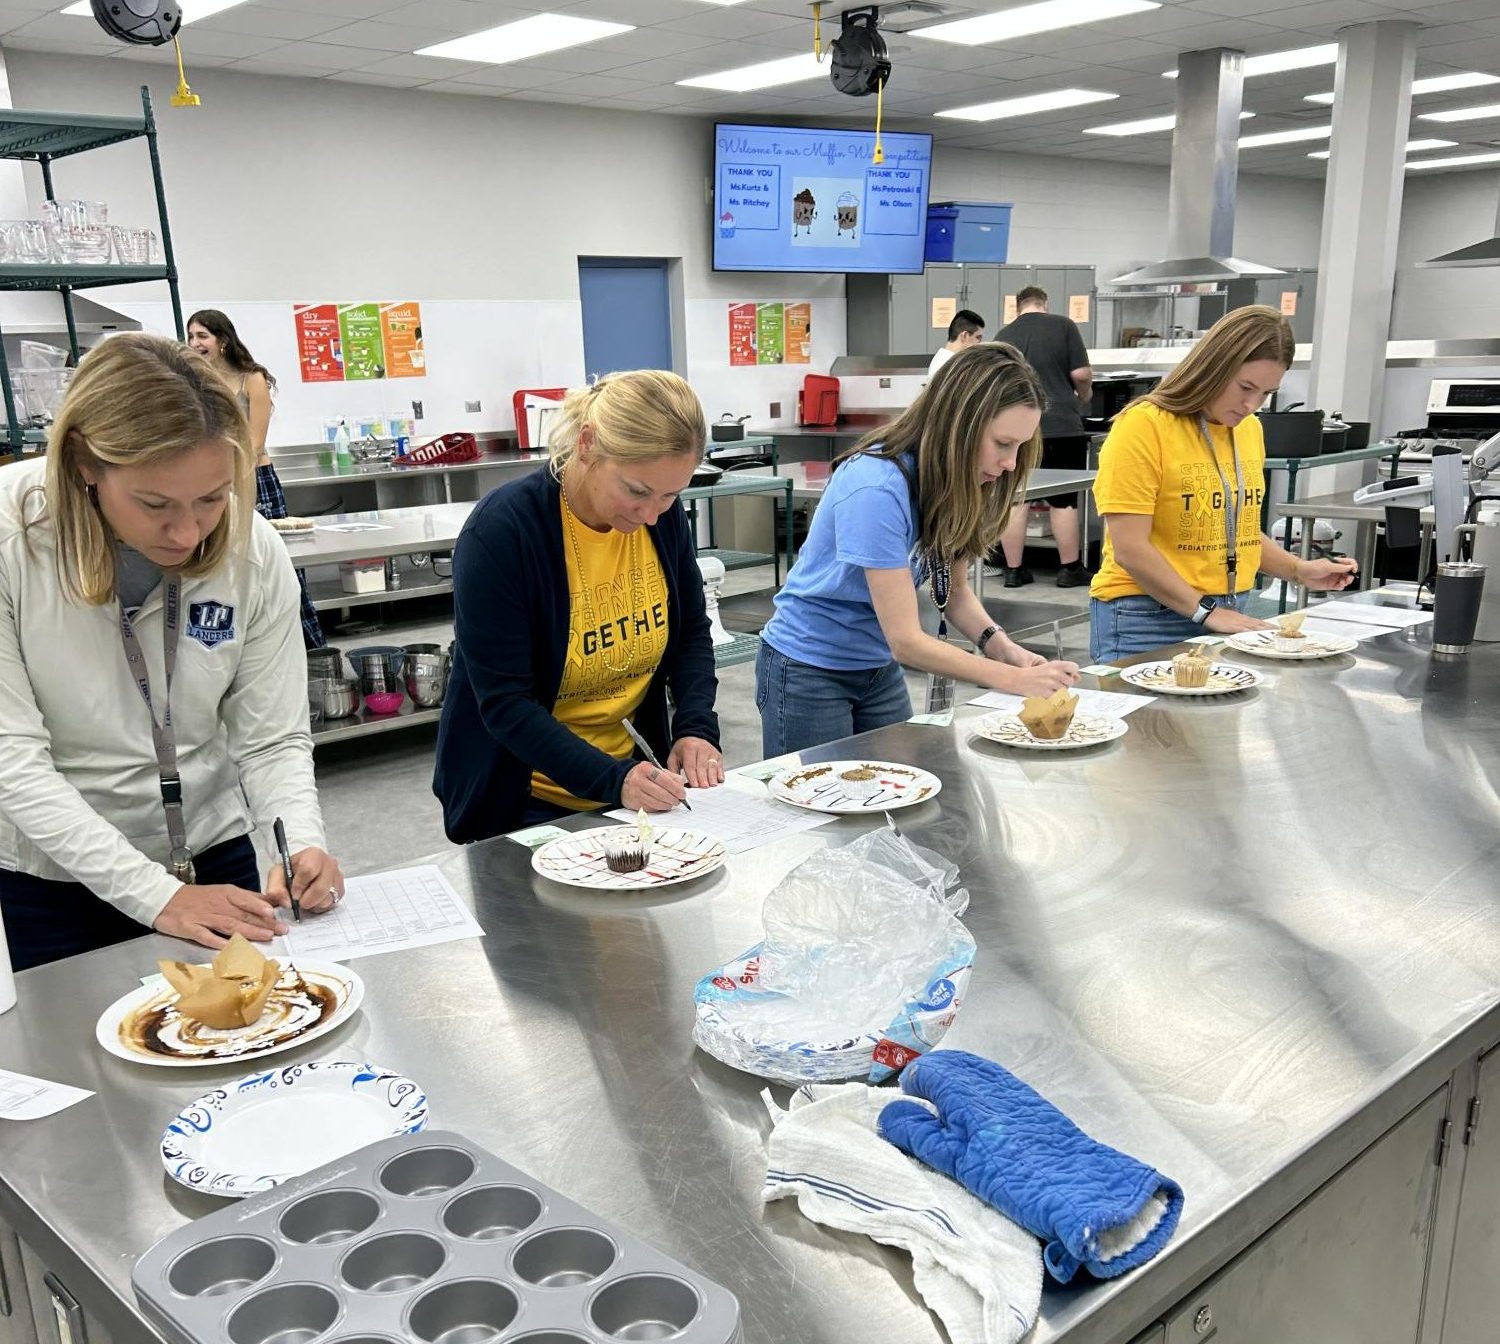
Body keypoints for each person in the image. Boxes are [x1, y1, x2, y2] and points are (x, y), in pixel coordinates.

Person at [0, 333, 345, 972]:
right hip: (52, 881)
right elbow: (13, 762)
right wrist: (160, 897)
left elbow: (271, 739)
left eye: (212, 498)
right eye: (155, 504)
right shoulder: (11, 536)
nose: (187, 533)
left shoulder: (252, 546)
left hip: (213, 859)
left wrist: (297, 842)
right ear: (84, 463)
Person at [434, 369, 723, 843]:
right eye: (636, 491)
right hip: (525, 798)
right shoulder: (503, 533)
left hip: (628, 790)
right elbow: (506, 703)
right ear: (587, 445)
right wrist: (613, 779)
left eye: (671, 495)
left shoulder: (660, 522)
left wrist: (695, 728)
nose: (651, 514)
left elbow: (690, 631)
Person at [757, 343, 1080, 757]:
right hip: (808, 668)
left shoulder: (956, 481)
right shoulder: (877, 486)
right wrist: (1011, 680)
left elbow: (956, 593)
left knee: (897, 788)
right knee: (822, 806)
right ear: (958, 426)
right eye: (1003, 443)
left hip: (875, 667)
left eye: (1020, 446)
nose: (1011, 463)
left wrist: (1007, 651)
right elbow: (906, 642)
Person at [1089, 305, 1358, 663]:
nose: (1251, 404)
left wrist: (1299, 569)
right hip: (1148, 618)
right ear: (1213, 366)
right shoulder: (1143, 426)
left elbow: (1236, 530)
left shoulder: (1248, 430)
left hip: (1228, 613)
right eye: (1245, 387)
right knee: (1149, 721)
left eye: (1265, 393)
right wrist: (1206, 612)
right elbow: (1130, 548)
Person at [187, 308, 326, 649]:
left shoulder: (252, 378)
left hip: (253, 477)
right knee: (227, 562)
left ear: (223, 340)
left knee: (277, 563)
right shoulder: (195, 381)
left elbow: (255, 441)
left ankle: (308, 647)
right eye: (190, 336)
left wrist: (228, 479)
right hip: (212, 481)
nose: (195, 343)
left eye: (202, 336)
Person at [992, 286, 1094, 589]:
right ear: (1044, 304)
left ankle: (1013, 570)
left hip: (1017, 430)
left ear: (1017, 306)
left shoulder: (1003, 335)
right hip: (1062, 424)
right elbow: (1081, 374)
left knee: (1016, 498)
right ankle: (1069, 569)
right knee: (1064, 501)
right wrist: (1083, 397)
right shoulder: (1063, 325)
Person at [927, 310, 985, 379]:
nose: (980, 343)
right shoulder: (948, 366)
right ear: (965, 336)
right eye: (978, 337)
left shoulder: (944, 359)